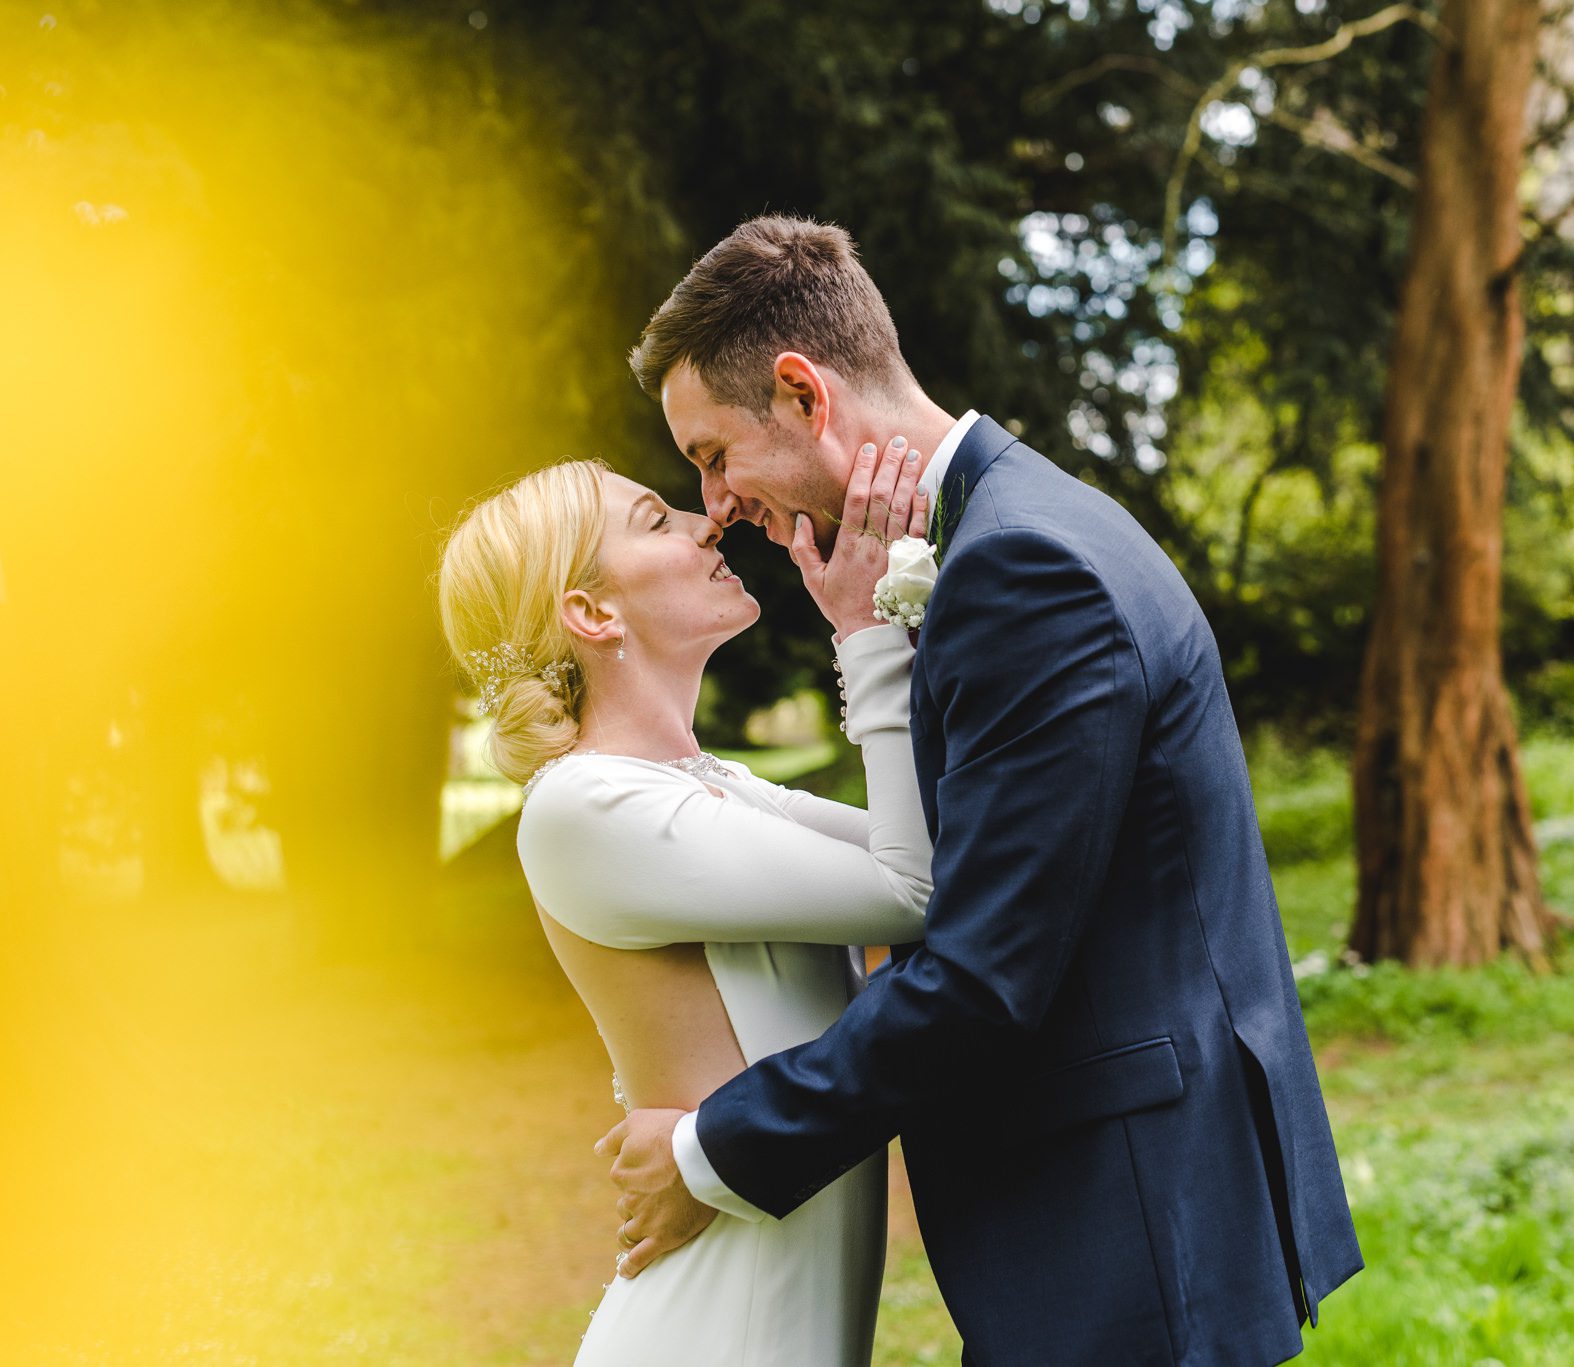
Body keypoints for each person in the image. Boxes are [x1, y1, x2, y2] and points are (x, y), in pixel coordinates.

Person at [600, 215, 1363, 1365]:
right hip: (1134, 1201)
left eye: (713, 455)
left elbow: (980, 975)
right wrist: (869, 634)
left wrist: (711, 1151)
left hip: (1124, 1224)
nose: (715, 504)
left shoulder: (1020, 569)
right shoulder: (1017, 522)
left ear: (804, 393)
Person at [435, 442, 935, 1365]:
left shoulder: (712, 786)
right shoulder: (583, 807)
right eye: (655, 520)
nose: (707, 519)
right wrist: (865, 634)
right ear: (590, 612)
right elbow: (913, 891)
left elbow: (929, 860)